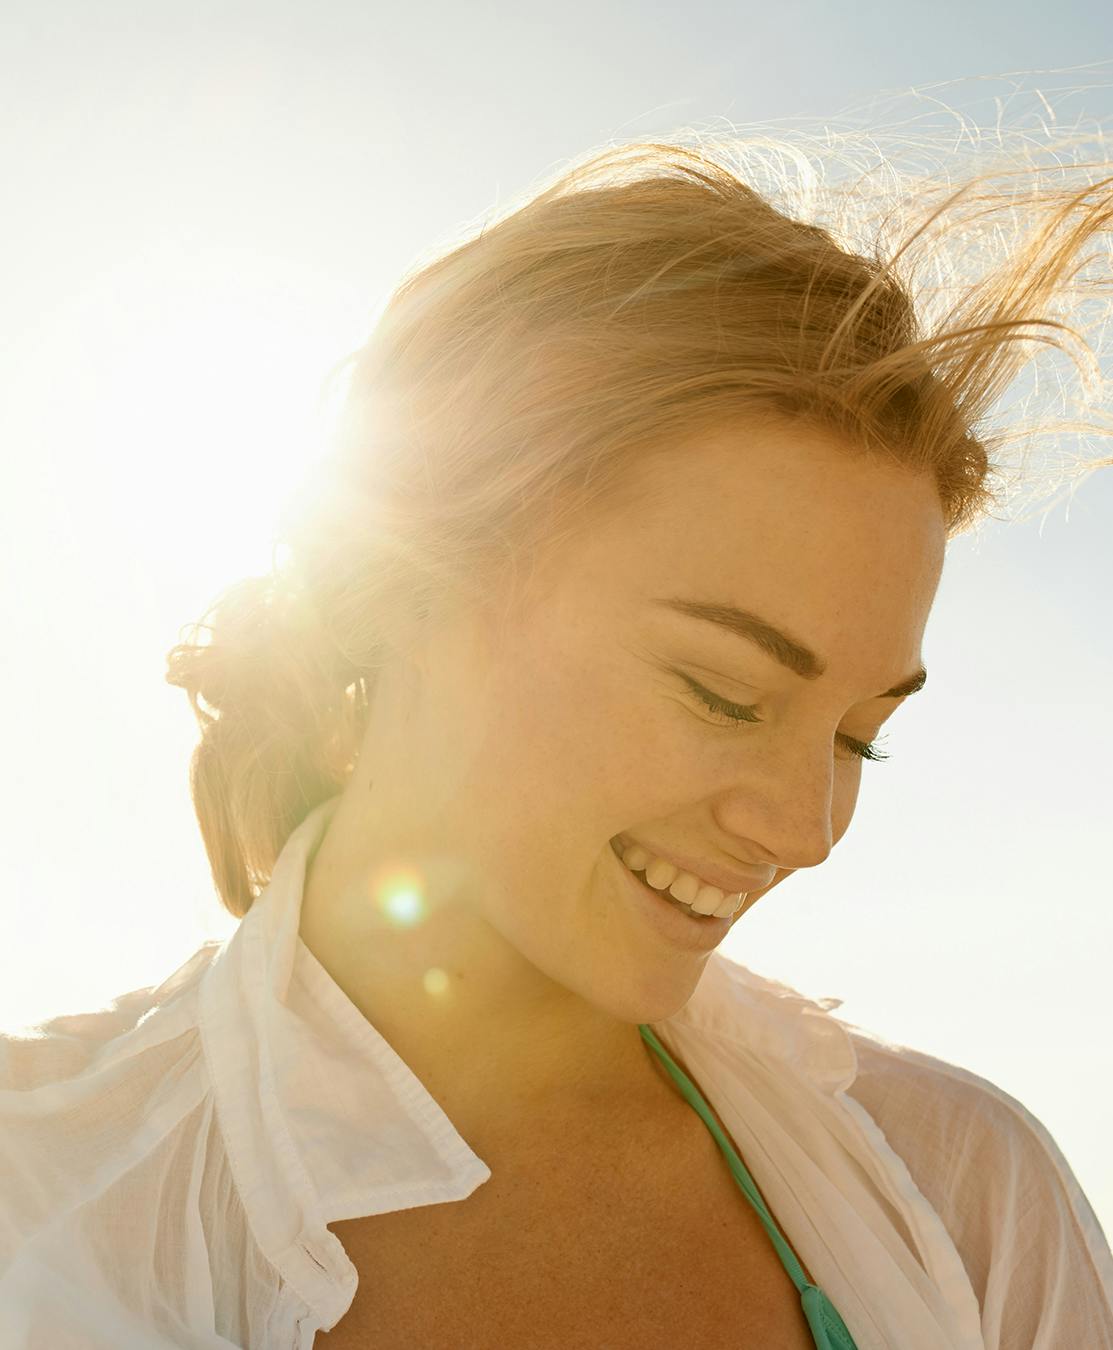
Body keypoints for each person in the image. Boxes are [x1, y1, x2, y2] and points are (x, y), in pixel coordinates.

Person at [3, 134, 1113, 1349]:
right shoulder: (39, 1200)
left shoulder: (965, 1198)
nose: (806, 829)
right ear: (403, 587)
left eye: (861, 738)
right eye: (723, 691)